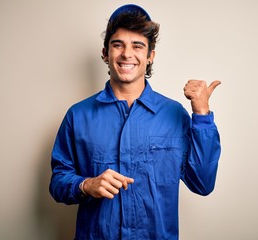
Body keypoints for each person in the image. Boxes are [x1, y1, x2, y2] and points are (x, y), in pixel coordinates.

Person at [49, 4, 221, 239]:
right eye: (118, 44)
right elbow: (58, 181)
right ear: (105, 52)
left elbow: (202, 183)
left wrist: (201, 114)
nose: (127, 54)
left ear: (150, 56)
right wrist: (86, 185)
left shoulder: (174, 115)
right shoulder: (78, 116)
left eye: (137, 46)